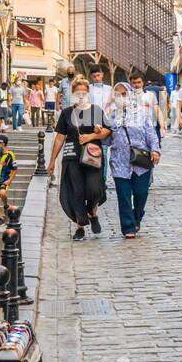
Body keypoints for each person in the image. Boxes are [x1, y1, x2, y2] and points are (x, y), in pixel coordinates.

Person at [47, 77, 110, 240]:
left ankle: (92, 211)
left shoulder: (96, 110)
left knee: (94, 189)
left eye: (84, 92)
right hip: (71, 156)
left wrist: (92, 135)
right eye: (77, 92)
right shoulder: (67, 113)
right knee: (77, 191)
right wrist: (52, 160)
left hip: (92, 156)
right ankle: (80, 226)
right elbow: (60, 137)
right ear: (73, 93)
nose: (81, 95)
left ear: (88, 93)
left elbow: (107, 131)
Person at [108, 82, 160, 238]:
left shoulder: (142, 114)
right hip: (119, 161)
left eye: (124, 94)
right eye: (118, 94)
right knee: (123, 195)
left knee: (141, 192)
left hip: (140, 162)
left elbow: (151, 133)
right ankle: (128, 227)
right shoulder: (110, 116)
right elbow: (105, 138)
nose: (121, 98)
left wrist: (155, 150)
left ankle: (137, 217)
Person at [0, 133, 17, 223]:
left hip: (4, 180)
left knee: (2, 193)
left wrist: (9, 180)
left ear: (4, 143)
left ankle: (5, 205)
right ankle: (0, 217)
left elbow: (15, 169)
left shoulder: (10, 155)